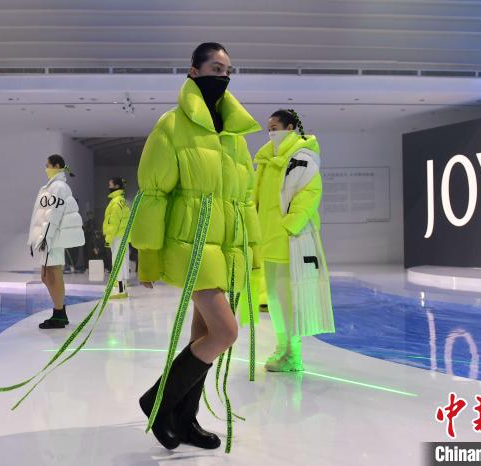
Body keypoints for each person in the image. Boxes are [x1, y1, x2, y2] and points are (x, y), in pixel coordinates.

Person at [131, 42, 261, 451]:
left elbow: (243, 201)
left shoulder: (235, 136)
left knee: (204, 333)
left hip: (224, 248)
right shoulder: (172, 125)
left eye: (227, 70)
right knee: (225, 332)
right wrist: (148, 254)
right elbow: (153, 193)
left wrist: (251, 254)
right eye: (215, 68)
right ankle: (157, 401)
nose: (223, 77)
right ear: (193, 71)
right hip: (190, 243)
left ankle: (185, 420)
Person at [253, 109, 335, 372]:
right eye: (269, 128)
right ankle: (282, 347)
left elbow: (310, 193)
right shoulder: (266, 160)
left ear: (290, 128)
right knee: (274, 300)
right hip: (268, 240)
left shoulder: (302, 158)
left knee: (288, 300)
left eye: (275, 128)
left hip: (289, 241)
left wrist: (289, 226)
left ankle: (293, 354)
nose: (271, 133)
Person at [27, 154, 85, 329]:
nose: (46, 169)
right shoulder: (52, 186)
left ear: (57, 165)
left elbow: (54, 214)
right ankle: (60, 312)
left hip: (53, 238)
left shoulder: (59, 187)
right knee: (46, 276)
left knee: (52, 275)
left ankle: (59, 314)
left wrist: (47, 236)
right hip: (49, 237)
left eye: (48, 165)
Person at [103, 177, 131, 299]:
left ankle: (120, 291)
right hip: (123, 236)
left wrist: (108, 239)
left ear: (116, 186)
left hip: (117, 237)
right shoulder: (123, 201)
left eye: (110, 185)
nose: (108, 187)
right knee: (123, 262)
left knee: (117, 262)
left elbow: (113, 223)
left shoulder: (115, 203)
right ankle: (123, 288)